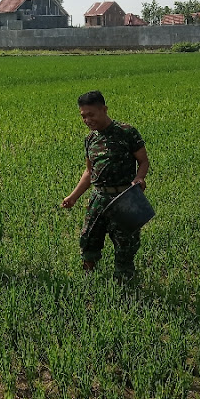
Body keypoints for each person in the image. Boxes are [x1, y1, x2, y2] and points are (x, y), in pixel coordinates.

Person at [61, 90, 149, 281]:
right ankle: (89, 280)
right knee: (88, 241)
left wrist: (139, 179)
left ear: (104, 109)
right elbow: (89, 172)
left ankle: (124, 285)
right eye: (83, 116)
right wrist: (73, 196)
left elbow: (143, 161)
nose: (87, 120)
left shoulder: (127, 132)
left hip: (125, 198)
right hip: (98, 199)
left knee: (125, 246)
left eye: (91, 114)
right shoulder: (90, 139)